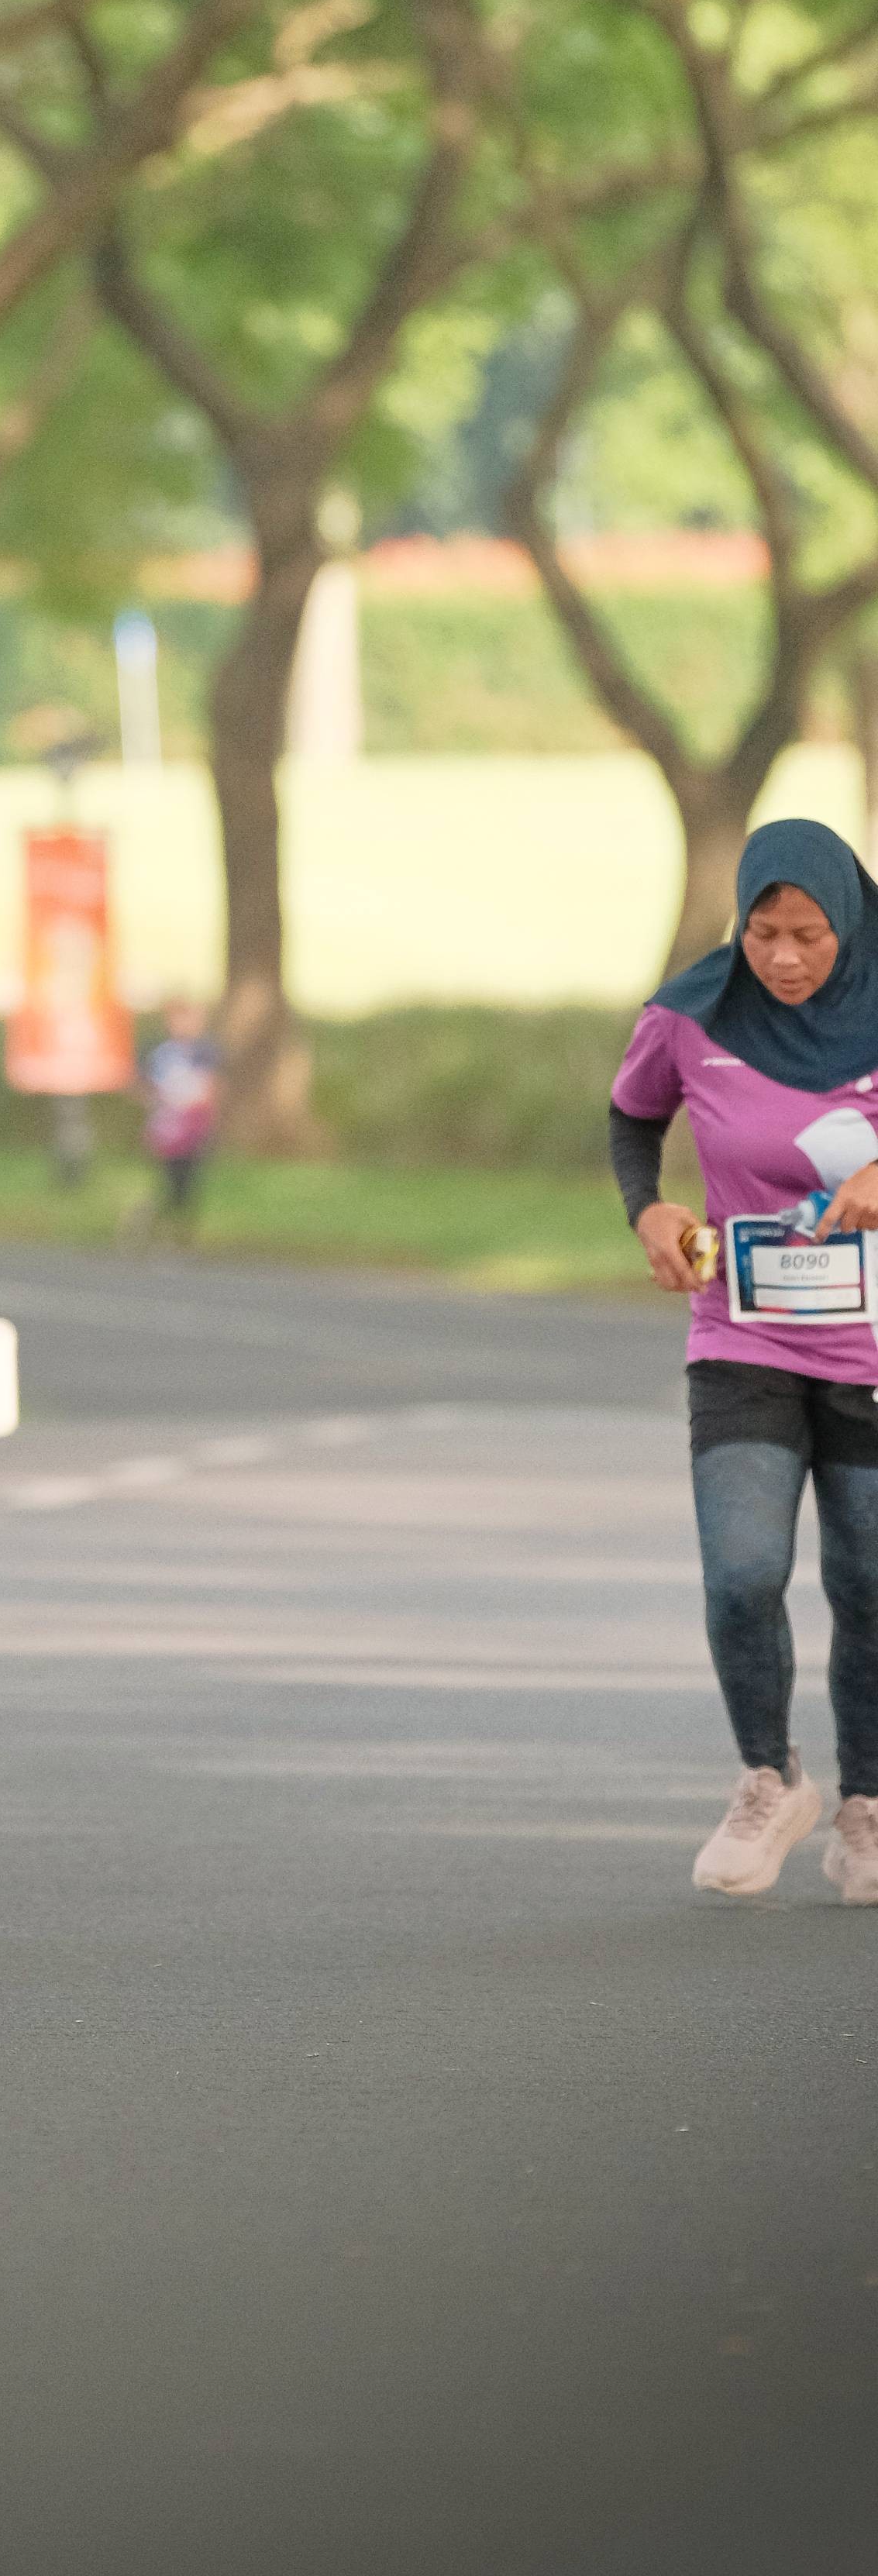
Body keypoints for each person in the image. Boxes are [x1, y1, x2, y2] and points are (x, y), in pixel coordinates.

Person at [611, 816, 878, 1906]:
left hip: (871, 1351)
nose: (783, 958)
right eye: (763, 932)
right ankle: (769, 1778)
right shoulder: (692, 1013)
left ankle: (868, 1804)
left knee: (869, 1584)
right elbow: (632, 1121)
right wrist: (649, 1208)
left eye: (809, 935)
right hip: (742, 1333)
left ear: (848, 920)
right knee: (740, 1573)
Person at [138, 998, 222, 1237]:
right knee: (170, 1177)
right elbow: (148, 1087)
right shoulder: (162, 1054)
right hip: (169, 1125)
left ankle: (181, 1226)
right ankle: (160, 1221)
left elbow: (212, 1088)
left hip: (194, 1124)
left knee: (191, 1178)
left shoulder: (205, 1053)